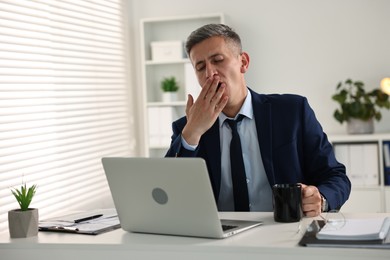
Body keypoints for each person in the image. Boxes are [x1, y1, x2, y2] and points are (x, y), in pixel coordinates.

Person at [165, 24, 350, 217]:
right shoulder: (186, 128)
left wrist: (320, 198)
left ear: (243, 62)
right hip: (218, 239)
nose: (210, 73)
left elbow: (336, 176)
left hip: (285, 231)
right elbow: (168, 195)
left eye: (218, 60)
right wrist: (192, 132)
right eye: (200, 67)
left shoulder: (293, 111)